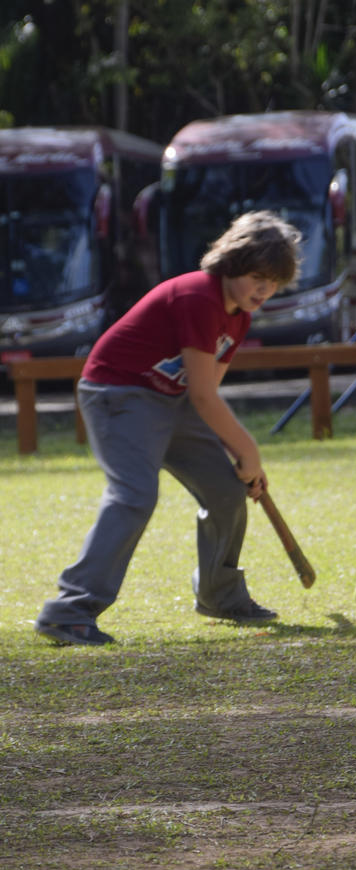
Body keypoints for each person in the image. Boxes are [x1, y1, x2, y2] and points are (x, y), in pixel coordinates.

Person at [34, 211, 301, 646]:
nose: (264, 290)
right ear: (231, 262)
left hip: (171, 400)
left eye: (273, 282)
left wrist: (238, 458)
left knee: (226, 490)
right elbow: (201, 394)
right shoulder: (199, 297)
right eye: (257, 276)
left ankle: (220, 596)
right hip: (118, 393)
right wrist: (249, 448)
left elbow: (204, 393)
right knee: (135, 495)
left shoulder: (239, 317)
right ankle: (69, 612)